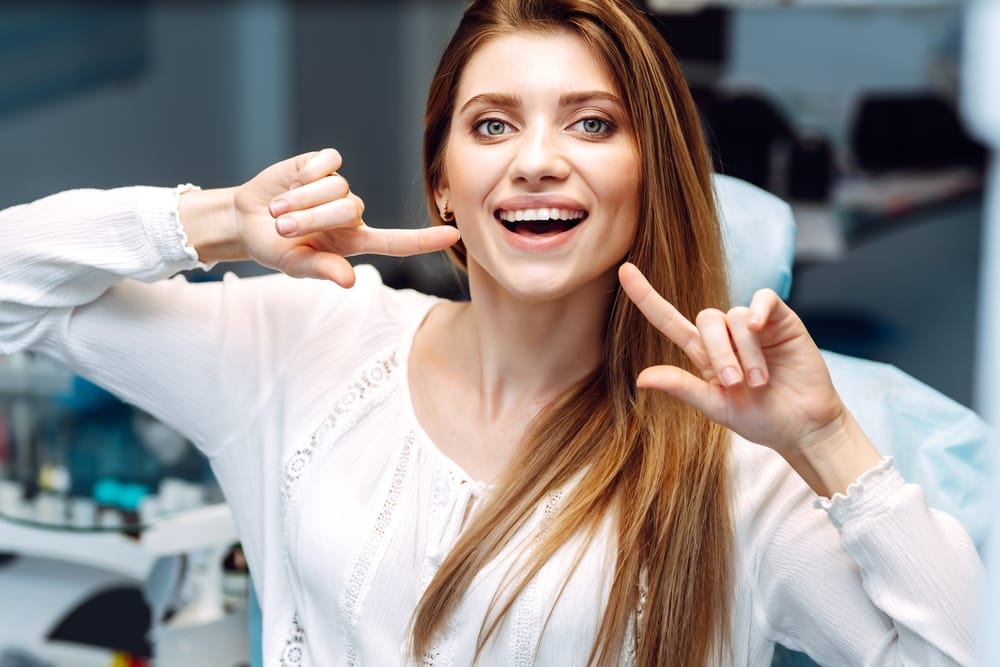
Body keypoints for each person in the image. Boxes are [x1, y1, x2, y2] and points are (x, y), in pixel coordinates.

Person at [0, 0, 983, 665]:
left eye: (592, 124)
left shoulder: (732, 464)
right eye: (493, 124)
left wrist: (823, 442)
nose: (538, 162)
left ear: (651, 178)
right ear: (442, 181)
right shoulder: (303, 341)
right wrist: (214, 223)